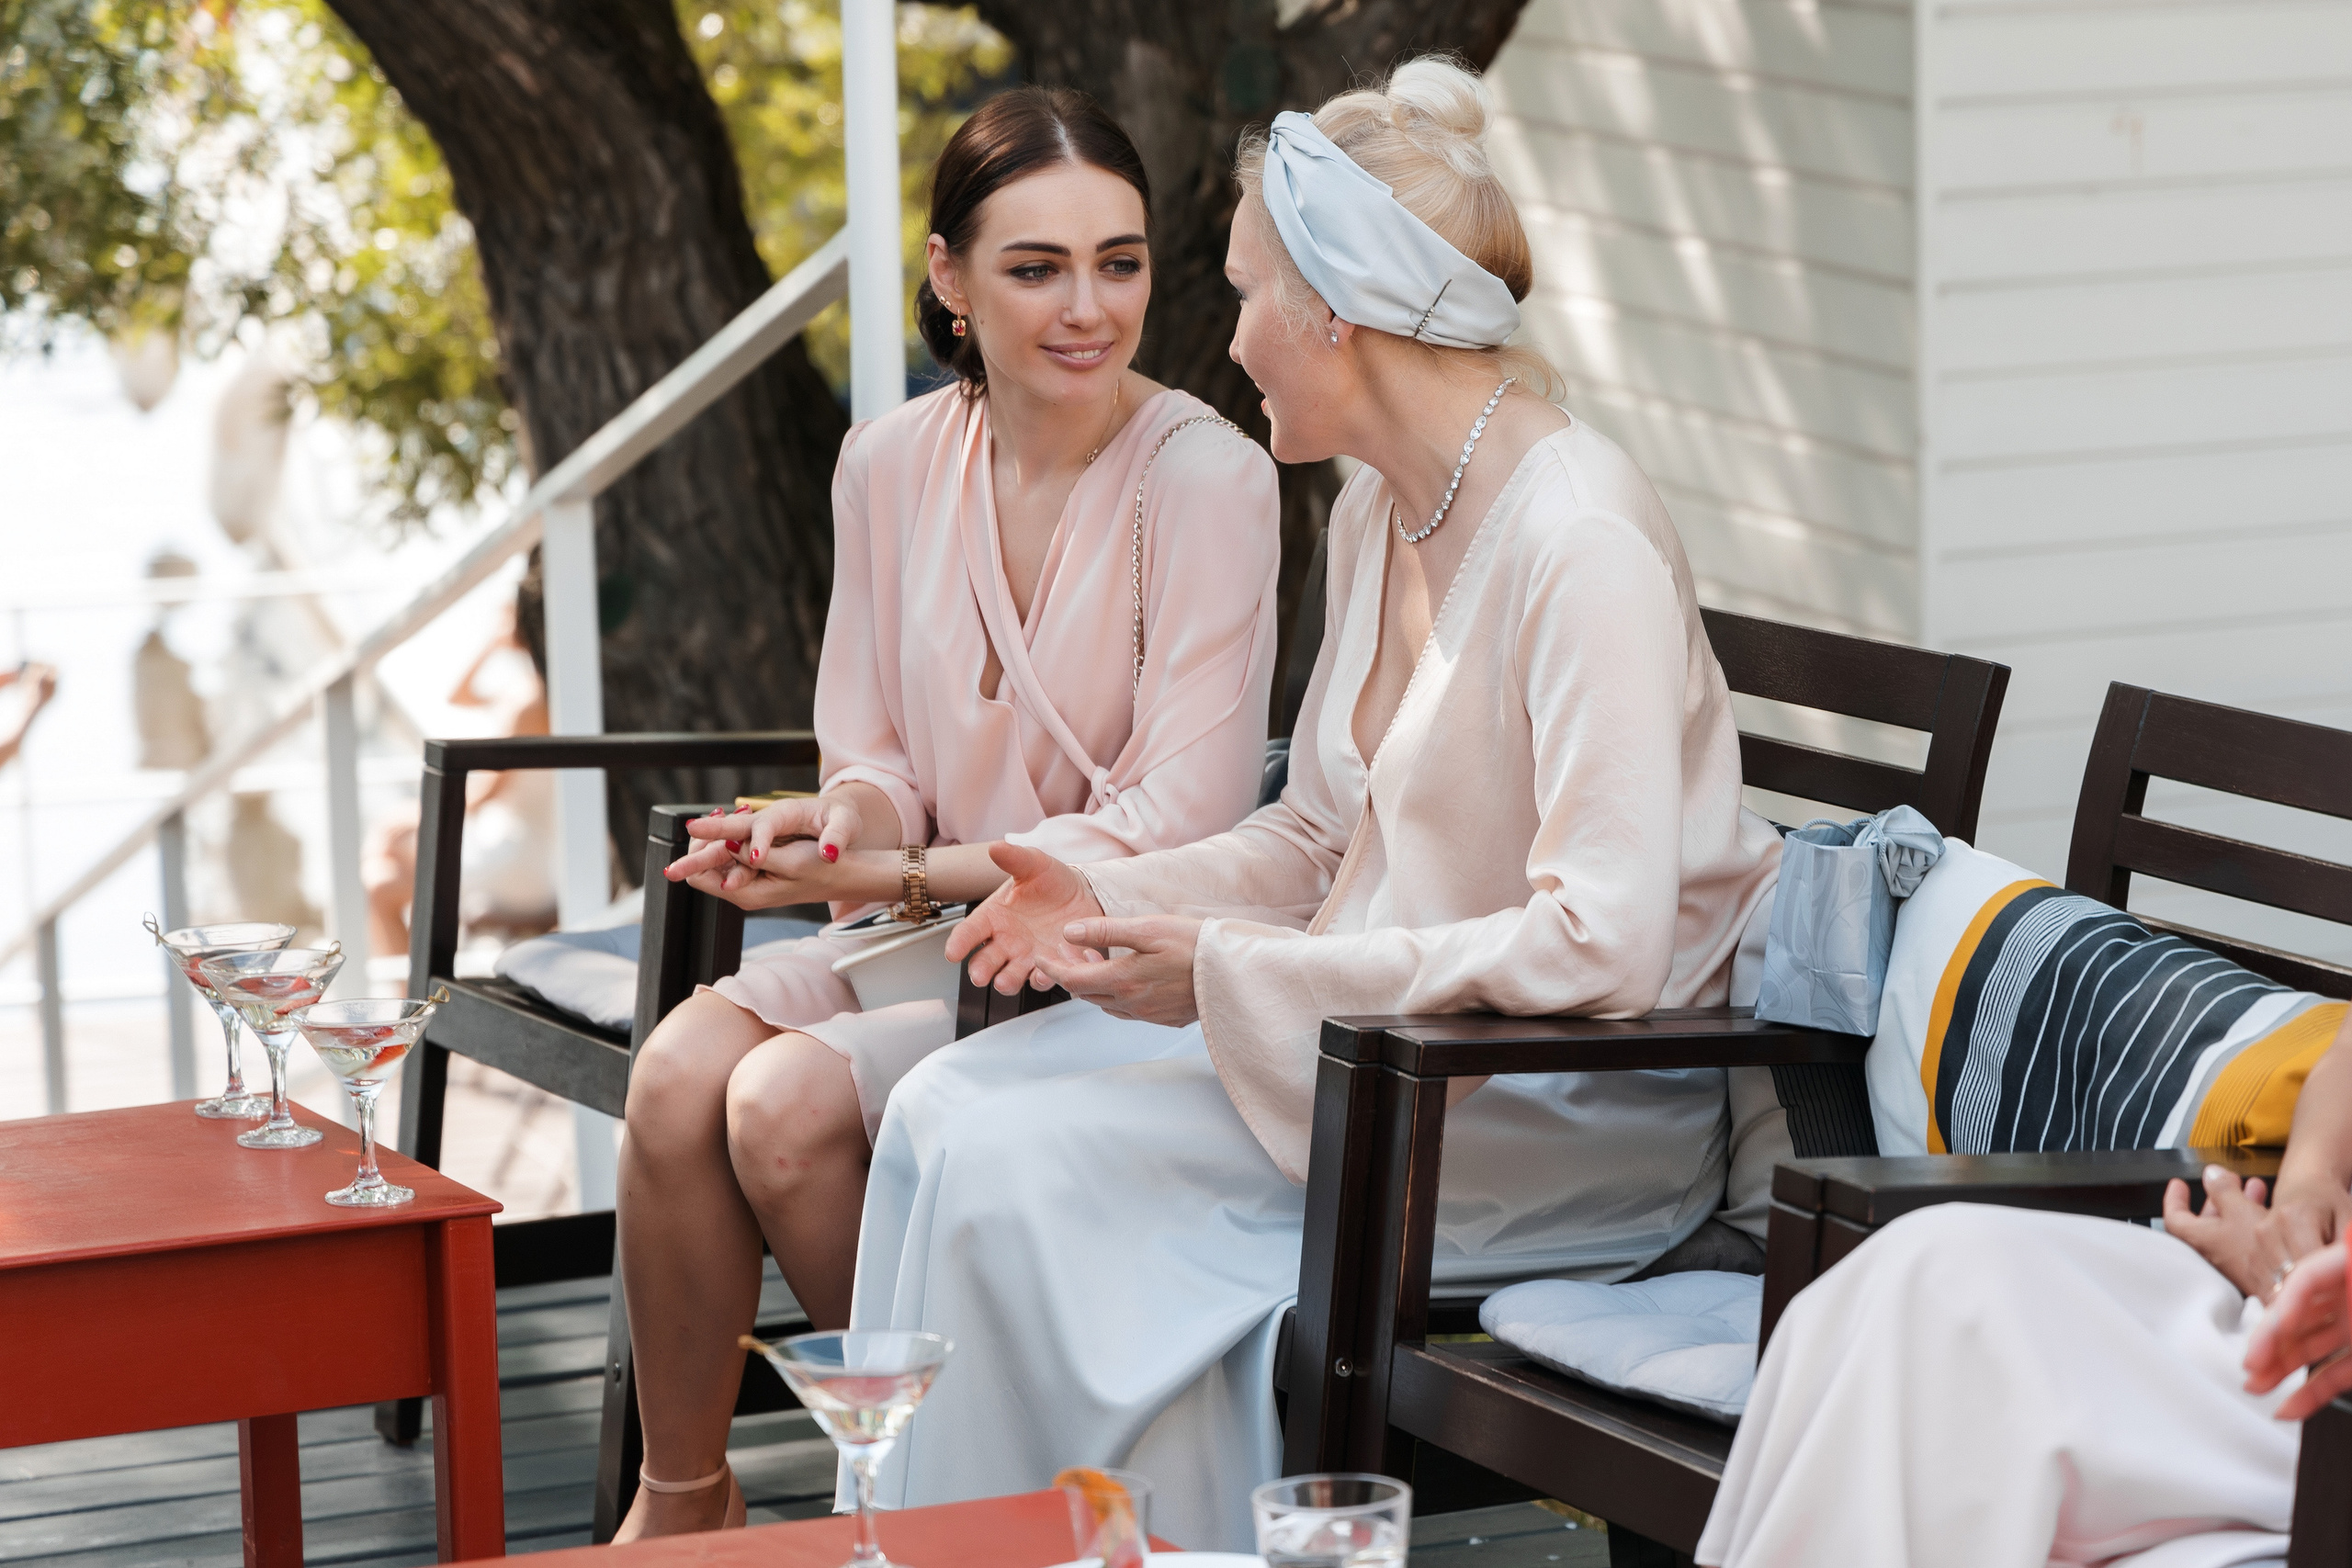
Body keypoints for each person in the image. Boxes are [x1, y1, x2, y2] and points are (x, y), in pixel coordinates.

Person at [845, 55, 1785, 1549]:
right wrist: (1111, 897)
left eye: (1246, 294)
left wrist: (1234, 973)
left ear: (1335, 310)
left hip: (1540, 1114)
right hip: (1371, 1058)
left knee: (1027, 1165)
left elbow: (1601, 946)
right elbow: (1320, 830)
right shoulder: (1380, 504)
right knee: (949, 1111)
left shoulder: (1580, 538)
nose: (1229, 340)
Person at [613, 85, 1283, 1540]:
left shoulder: (1212, 481)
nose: (1088, 307)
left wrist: (896, 859)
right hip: (921, 940)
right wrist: (831, 827)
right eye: (1035, 267)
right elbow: (874, 753)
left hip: (1110, 972)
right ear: (949, 278)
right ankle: (684, 1508)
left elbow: (1185, 815)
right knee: (676, 1076)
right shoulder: (890, 464)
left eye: (1119, 259)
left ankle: (974, 1498)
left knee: (782, 1102)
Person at [1696, 1005, 2352, 1568]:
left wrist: (2292, 1280)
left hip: (2318, 1387)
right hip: (2283, 1311)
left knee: (1973, 1362)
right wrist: (2304, 1192)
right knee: (1938, 1268)